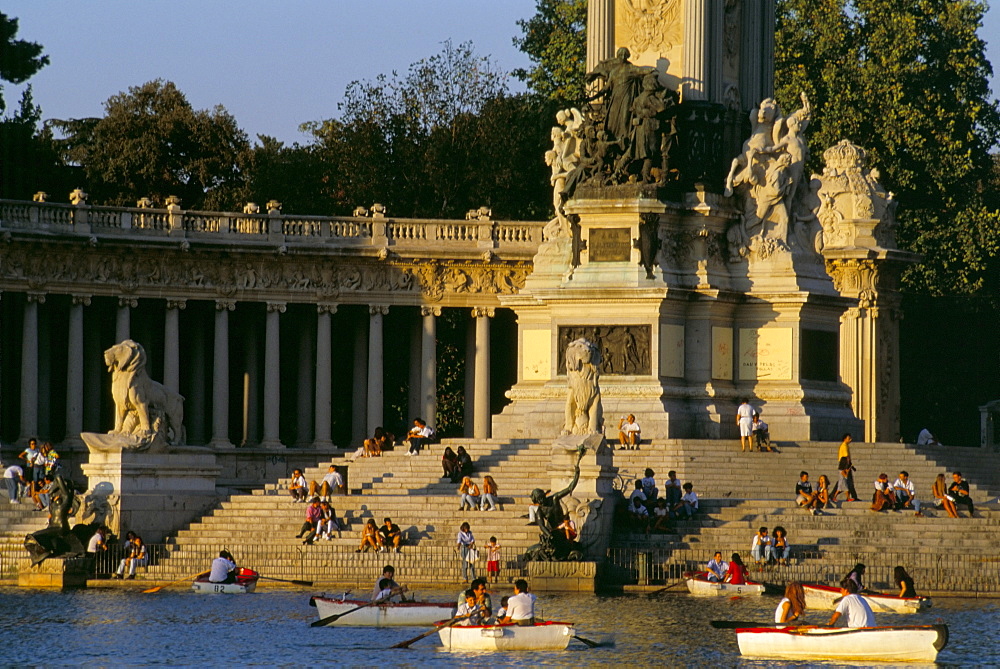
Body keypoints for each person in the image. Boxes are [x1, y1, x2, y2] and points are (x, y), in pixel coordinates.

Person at [832, 433, 858, 502]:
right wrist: (848, 467)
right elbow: (847, 457)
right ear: (844, 439)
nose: (850, 439)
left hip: (845, 466)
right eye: (849, 438)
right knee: (844, 484)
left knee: (845, 484)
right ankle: (834, 496)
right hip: (844, 466)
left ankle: (849, 497)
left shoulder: (845, 445)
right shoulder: (844, 446)